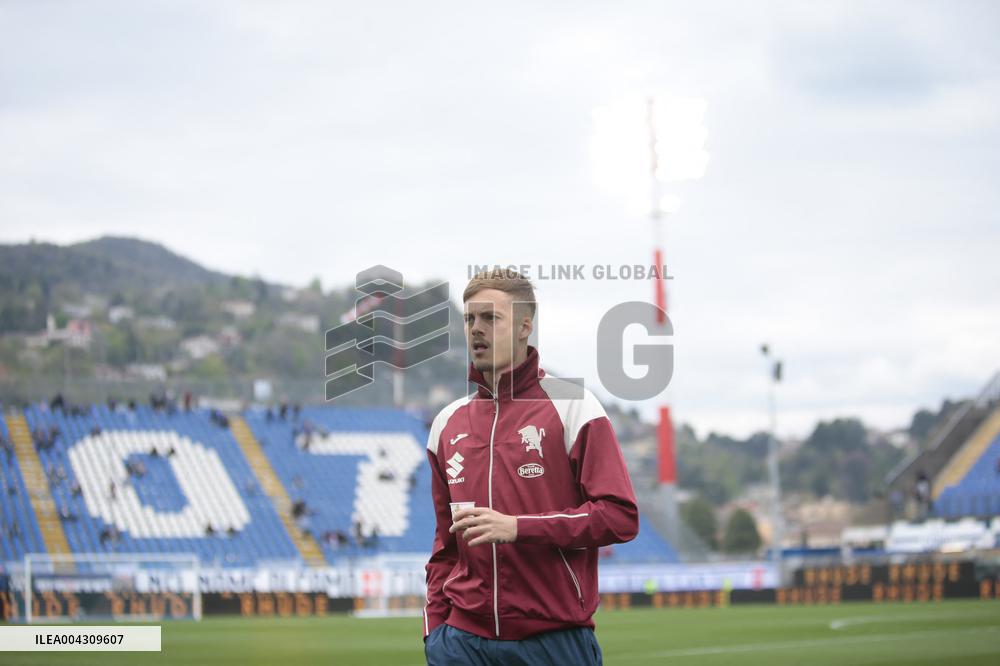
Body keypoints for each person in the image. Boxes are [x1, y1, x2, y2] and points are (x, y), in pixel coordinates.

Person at [422, 269, 638, 665]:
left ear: (525, 327)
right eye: (470, 319)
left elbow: (620, 516)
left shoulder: (574, 406)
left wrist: (519, 528)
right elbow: (444, 549)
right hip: (460, 644)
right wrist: (434, 632)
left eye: (491, 318)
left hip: (553, 642)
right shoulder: (446, 424)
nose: (477, 330)